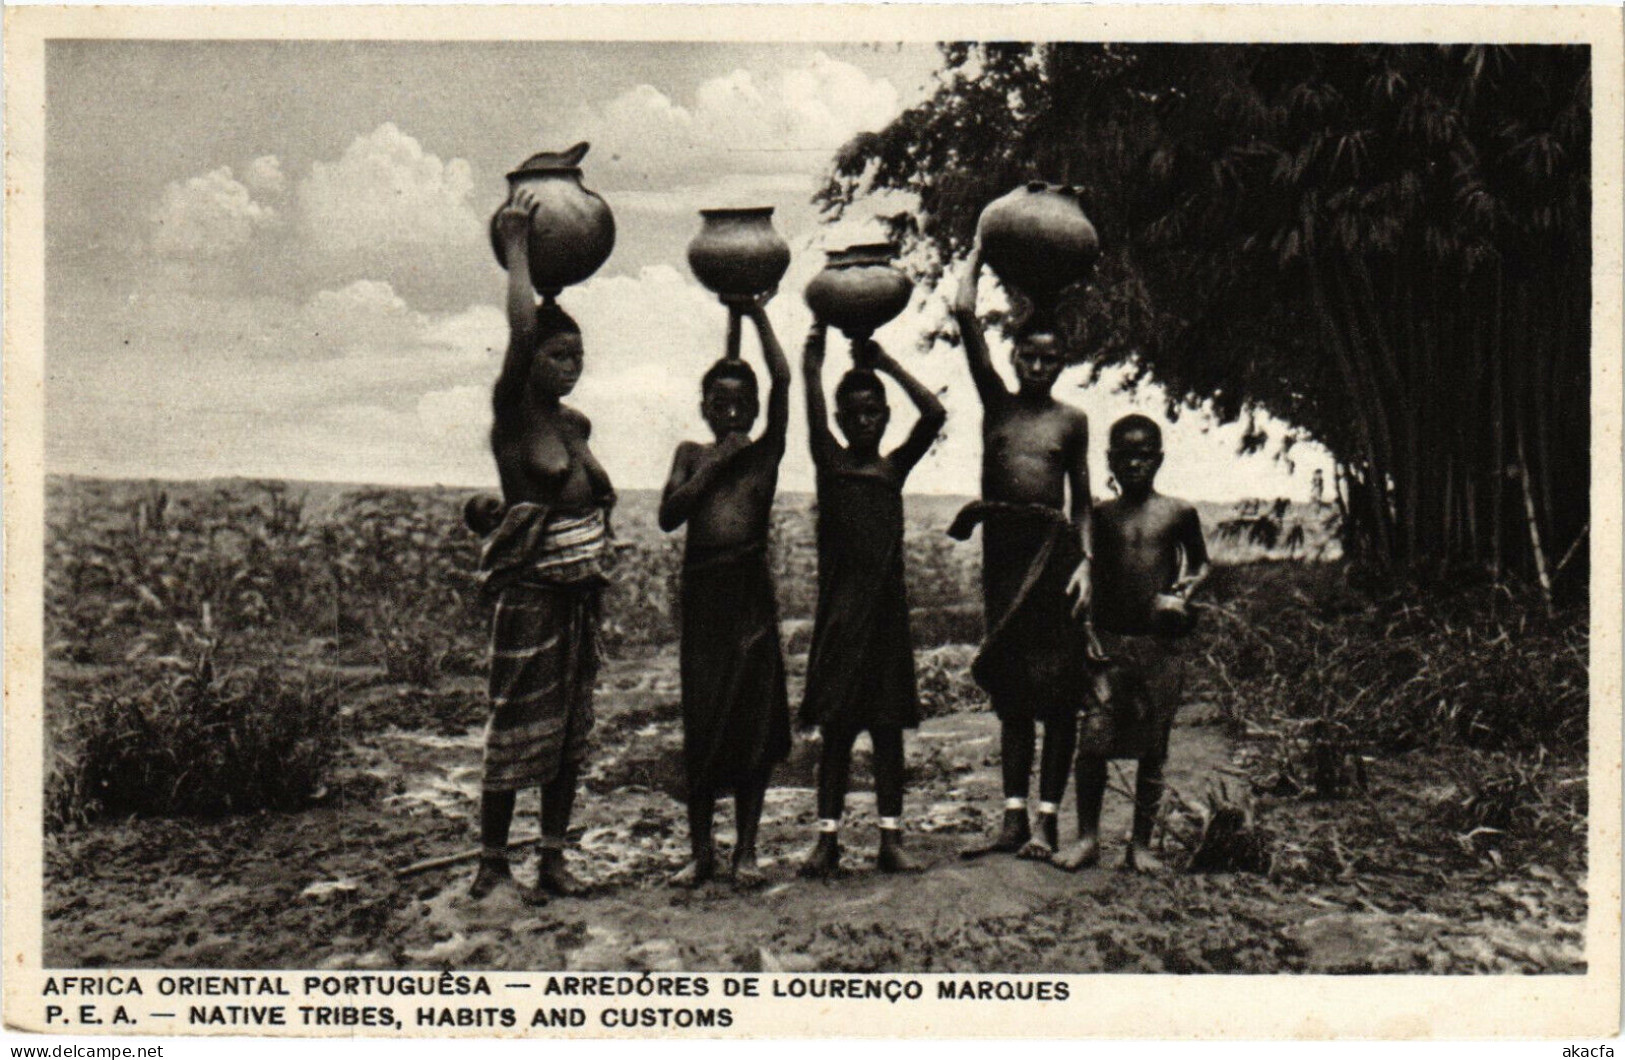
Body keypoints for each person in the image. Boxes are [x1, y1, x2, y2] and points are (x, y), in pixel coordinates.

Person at [467, 187, 617, 903]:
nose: (569, 365)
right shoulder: (512, 417)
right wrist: (520, 246)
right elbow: (521, 333)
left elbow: (582, 499)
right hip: (529, 600)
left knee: (566, 735)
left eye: (576, 355)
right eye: (559, 355)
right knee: (515, 728)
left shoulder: (576, 426)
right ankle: (493, 864)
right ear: (532, 362)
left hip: (577, 601)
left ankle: (552, 858)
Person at [949, 235, 1096, 861]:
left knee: (1059, 693)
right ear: (1012, 358)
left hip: (1055, 559)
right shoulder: (996, 405)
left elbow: (1082, 499)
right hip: (1005, 558)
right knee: (1012, 692)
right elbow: (963, 315)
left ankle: (1047, 822)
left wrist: (1088, 561)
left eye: (1051, 359)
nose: (1040, 368)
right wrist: (980, 251)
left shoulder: (1071, 421)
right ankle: (1012, 820)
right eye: (1030, 357)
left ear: (1062, 362)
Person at [797, 325, 946, 878]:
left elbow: (932, 415)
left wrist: (885, 362)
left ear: (884, 417)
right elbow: (811, 412)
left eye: (873, 412)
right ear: (840, 420)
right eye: (853, 413)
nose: (864, 420)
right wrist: (813, 366)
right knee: (836, 733)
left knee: (886, 732)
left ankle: (891, 840)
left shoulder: (892, 469)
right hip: (840, 621)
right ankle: (826, 842)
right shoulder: (830, 464)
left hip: (885, 624)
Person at [658, 292, 792, 889]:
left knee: (752, 726)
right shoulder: (692, 455)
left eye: (745, 402)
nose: (734, 411)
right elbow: (668, 515)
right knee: (704, 719)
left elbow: (785, 379)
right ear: (705, 407)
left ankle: (747, 850)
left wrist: (756, 313)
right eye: (722, 401)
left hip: (750, 596)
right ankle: (702, 852)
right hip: (704, 595)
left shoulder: (767, 454)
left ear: (759, 409)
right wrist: (715, 464)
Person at [1058, 414, 1211, 873]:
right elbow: (1085, 576)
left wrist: (1187, 586)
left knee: (1153, 749)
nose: (1135, 463)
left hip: (1158, 647)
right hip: (1108, 643)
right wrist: (1084, 631)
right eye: (1125, 455)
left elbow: (1201, 564)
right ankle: (1087, 838)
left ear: (1159, 458)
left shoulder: (1179, 514)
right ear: (1110, 459)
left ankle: (1139, 845)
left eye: (1144, 455)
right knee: (1093, 744)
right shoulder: (1100, 517)